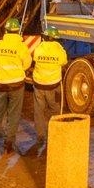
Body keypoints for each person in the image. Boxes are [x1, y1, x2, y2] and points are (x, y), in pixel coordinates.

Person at [0, 18, 32, 155]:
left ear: (5, 30)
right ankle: (7, 146)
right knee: (13, 116)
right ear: (17, 30)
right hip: (16, 85)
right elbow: (27, 64)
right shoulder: (21, 46)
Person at [31, 25, 68, 157]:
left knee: (39, 111)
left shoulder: (39, 49)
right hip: (54, 87)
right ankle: (54, 135)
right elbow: (64, 62)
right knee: (55, 111)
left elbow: (34, 59)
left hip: (39, 85)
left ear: (45, 37)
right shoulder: (59, 51)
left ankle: (40, 137)